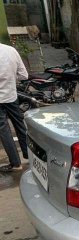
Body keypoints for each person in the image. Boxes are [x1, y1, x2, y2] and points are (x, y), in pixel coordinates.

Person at [0, 42, 29, 172]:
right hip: (12, 96)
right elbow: (24, 75)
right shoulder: (11, 50)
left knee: (4, 131)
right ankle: (29, 155)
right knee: (20, 125)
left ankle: (16, 164)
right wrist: (11, 79)